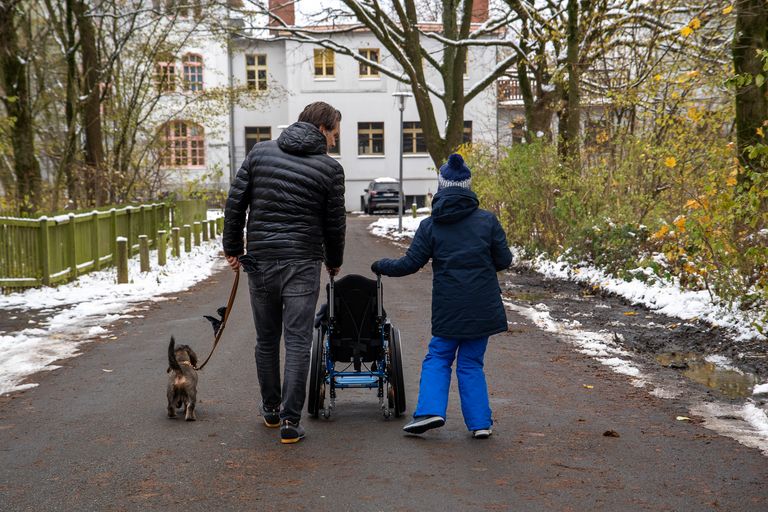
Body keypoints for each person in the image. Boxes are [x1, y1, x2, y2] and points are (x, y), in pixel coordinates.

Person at [223, 101, 346, 444]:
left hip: (261, 260)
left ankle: (271, 411)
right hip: (303, 264)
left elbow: (236, 201)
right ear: (322, 128)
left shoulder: (260, 152)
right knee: (297, 342)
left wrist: (233, 248)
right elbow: (335, 224)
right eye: (335, 133)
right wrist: (333, 261)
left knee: (266, 340)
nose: (335, 141)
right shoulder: (329, 169)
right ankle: (291, 422)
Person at [371, 153, 511, 439]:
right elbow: (504, 260)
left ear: (441, 187)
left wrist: (381, 265)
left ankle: (429, 411)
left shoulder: (432, 225)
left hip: (449, 307)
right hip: (483, 306)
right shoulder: (487, 221)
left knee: (439, 356)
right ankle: (480, 424)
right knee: (472, 362)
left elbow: (409, 264)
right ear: (468, 187)